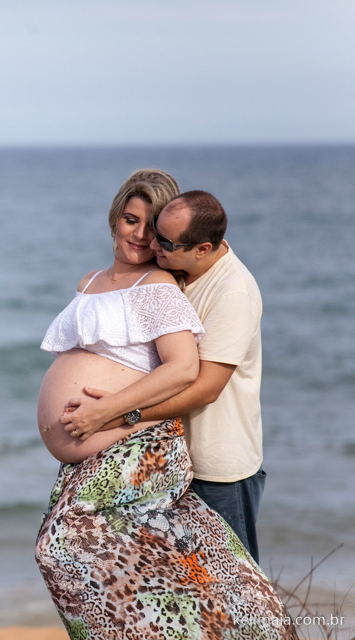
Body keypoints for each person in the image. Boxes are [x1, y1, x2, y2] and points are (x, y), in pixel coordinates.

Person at [35, 171, 295, 639]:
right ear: (114, 218)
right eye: (132, 221)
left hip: (218, 459)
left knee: (231, 589)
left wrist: (114, 411)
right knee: (165, 581)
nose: (146, 239)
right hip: (138, 450)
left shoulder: (215, 289)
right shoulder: (121, 278)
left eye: (157, 232)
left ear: (201, 247)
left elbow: (196, 380)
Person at [62, 190, 265, 563]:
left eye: (166, 242)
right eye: (156, 232)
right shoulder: (179, 272)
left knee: (232, 584)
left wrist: (121, 414)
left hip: (217, 469)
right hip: (171, 459)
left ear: (202, 248)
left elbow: (205, 388)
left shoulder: (233, 293)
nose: (153, 243)